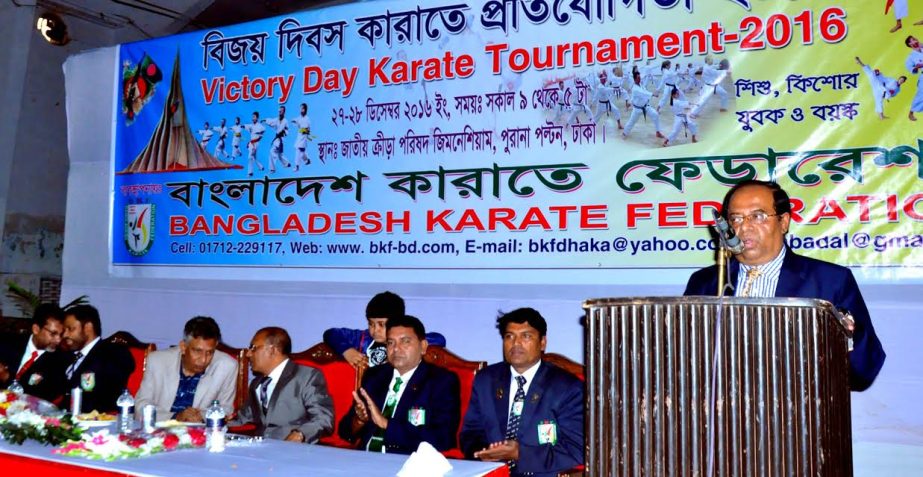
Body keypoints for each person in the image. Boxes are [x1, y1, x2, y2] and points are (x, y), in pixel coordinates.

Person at [683, 180, 886, 391]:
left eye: (757, 216)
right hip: (720, 416)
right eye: (735, 218)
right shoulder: (705, 282)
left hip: (798, 416)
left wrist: (848, 338)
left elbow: (864, 372)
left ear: (783, 222)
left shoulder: (829, 280)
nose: (744, 226)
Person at [460, 308, 584, 477]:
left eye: (526, 336)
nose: (516, 343)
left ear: (542, 343)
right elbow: (470, 432)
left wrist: (520, 454)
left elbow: (575, 449)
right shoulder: (486, 380)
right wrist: (485, 453)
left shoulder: (567, 387)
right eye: (509, 336)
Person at [338, 315, 460, 454]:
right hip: (365, 460)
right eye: (390, 343)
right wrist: (359, 420)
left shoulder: (441, 381)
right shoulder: (375, 376)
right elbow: (344, 432)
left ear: (423, 346)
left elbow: (442, 438)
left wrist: (387, 425)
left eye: (405, 341)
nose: (396, 349)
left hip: (407, 464)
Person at [230, 327, 334, 443]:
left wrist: (301, 434)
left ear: (272, 350)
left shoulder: (307, 377)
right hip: (259, 450)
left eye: (253, 348)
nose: (248, 354)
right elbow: (243, 419)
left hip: (294, 452)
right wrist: (213, 422)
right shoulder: (256, 384)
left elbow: (323, 419)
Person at [134, 316, 237, 422]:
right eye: (197, 351)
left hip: (201, 433)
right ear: (183, 347)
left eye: (210, 352)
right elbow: (140, 407)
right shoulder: (158, 361)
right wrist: (176, 417)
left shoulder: (227, 366)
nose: (203, 360)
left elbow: (226, 409)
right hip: (160, 430)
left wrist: (200, 416)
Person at [323, 291, 446, 369]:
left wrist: (404, 339)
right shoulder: (362, 338)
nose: (375, 330)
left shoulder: (406, 338)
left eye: (381, 324)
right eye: (371, 324)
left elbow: (439, 339)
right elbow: (331, 333)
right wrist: (347, 351)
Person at [61, 305, 135, 413]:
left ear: (88, 328)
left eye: (70, 329)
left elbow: (110, 394)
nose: (65, 334)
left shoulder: (112, 353)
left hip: (94, 419)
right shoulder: (66, 355)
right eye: (64, 330)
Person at [0, 303, 70, 402]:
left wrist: (7, 378)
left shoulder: (59, 361)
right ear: (36, 329)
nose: (58, 340)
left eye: (60, 334)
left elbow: (39, 398)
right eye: (53, 334)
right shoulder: (9, 343)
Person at [621, 69, 663, 141]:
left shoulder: (640, 84)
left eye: (640, 78)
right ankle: (624, 133)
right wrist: (653, 94)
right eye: (638, 78)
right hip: (637, 109)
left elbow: (642, 93)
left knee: (655, 115)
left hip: (646, 107)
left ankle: (658, 132)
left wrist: (630, 102)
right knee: (631, 122)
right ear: (634, 79)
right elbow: (643, 93)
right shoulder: (635, 89)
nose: (639, 79)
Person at [262, 105, 292, 172]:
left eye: (281, 111)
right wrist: (265, 120)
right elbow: (271, 121)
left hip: (281, 139)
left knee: (272, 151)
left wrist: (284, 132)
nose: (280, 112)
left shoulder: (285, 121)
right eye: (279, 111)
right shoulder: (277, 119)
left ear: (284, 112)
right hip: (277, 139)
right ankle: (287, 164)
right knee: (280, 154)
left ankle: (272, 169)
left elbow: (287, 131)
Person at [905, 35, 923, 121]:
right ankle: (911, 112)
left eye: (915, 39)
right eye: (912, 40)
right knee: (921, 95)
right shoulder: (911, 57)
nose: (915, 41)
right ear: (909, 44)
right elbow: (911, 69)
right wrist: (916, 68)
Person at [290, 102, 312, 170]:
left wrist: (302, 129)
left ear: (305, 110)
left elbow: (308, 130)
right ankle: (307, 160)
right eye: (300, 109)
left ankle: (297, 166)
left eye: (302, 109)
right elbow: (296, 121)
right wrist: (294, 121)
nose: (301, 110)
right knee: (302, 152)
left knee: (299, 151)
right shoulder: (299, 118)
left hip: (304, 138)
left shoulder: (307, 119)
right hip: (299, 137)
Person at [244, 111, 267, 176]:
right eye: (252, 117)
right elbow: (246, 126)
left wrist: (254, 143)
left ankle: (250, 172)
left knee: (250, 157)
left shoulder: (260, 126)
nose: (253, 118)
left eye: (254, 117)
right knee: (254, 157)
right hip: (251, 143)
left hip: (256, 143)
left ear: (257, 118)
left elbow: (261, 135)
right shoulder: (251, 125)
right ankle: (261, 167)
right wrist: (242, 126)